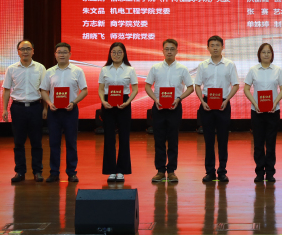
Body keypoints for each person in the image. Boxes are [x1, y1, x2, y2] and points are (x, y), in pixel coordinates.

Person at [145, 38, 194, 183]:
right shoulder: (155, 68)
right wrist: (155, 99)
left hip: (175, 108)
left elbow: (190, 87)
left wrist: (179, 98)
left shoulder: (182, 69)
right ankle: (160, 171)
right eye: (166, 49)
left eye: (172, 49)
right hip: (158, 107)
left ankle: (171, 171)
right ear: (162, 51)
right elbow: (147, 86)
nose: (169, 52)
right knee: (159, 140)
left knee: (173, 140)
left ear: (177, 51)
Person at [39, 42, 88, 183]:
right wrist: (49, 103)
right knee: (54, 143)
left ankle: (71, 172)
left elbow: (84, 90)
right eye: (59, 52)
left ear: (70, 54)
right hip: (54, 112)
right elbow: (43, 90)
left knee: (71, 143)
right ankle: (54, 172)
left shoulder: (77, 71)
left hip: (70, 111)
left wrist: (74, 102)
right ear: (55, 54)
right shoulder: (49, 72)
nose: (62, 54)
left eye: (65, 52)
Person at [195, 35, 239, 183]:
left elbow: (236, 85)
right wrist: (202, 101)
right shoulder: (203, 65)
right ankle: (209, 172)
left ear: (222, 47)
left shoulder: (229, 64)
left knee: (223, 139)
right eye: (212, 45)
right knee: (208, 140)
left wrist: (227, 100)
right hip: (207, 104)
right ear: (208, 48)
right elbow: (197, 85)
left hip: (223, 104)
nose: (215, 48)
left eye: (217, 45)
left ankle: (222, 171)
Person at [2, 39, 47, 183]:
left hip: (35, 107)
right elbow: (6, 90)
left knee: (36, 142)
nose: (25, 51)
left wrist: (45, 107)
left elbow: (45, 89)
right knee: (18, 142)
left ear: (33, 51)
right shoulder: (11, 69)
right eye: (22, 49)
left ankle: (37, 172)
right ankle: (20, 172)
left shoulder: (40, 68)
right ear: (18, 52)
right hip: (18, 108)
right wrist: (4, 109)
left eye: (28, 49)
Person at [243, 43, 282, 183]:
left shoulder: (277, 70)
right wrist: (254, 103)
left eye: (269, 52)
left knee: (271, 143)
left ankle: (270, 172)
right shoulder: (253, 70)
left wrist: (275, 102)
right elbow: (246, 88)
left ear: (272, 54)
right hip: (257, 111)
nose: (266, 54)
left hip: (273, 111)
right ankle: (259, 172)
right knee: (258, 143)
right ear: (259, 54)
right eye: (263, 52)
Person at [98, 42, 139, 183]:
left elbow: (135, 89)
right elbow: (101, 89)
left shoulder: (130, 69)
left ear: (124, 54)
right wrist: (103, 101)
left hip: (124, 103)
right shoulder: (104, 69)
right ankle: (110, 170)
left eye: (119, 52)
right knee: (109, 137)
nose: (116, 55)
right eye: (113, 52)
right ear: (110, 54)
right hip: (108, 104)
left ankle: (121, 170)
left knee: (124, 137)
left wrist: (128, 102)